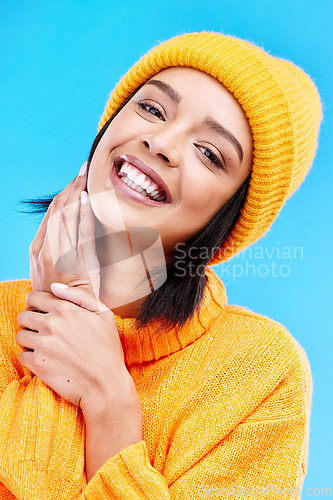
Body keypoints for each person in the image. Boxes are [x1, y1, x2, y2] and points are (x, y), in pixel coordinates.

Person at [0, 31, 322, 499]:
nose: (162, 143)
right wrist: (64, 307)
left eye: (210, 154)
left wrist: (110, 402)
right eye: (152, 109)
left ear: (227, 220)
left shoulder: (261, 372)